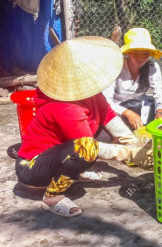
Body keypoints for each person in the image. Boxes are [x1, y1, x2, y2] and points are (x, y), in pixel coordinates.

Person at [15, 36, 151, 217]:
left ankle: (72, 174)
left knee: (94, 143)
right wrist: (131, 154)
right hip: (31, 168)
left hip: (56, 154)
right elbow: (88, 144)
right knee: (86, 150)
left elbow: (107, 114)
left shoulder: (89, 91)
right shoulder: (64, 106)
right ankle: (52, 197)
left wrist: (132, 142)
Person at [103, 28, 162, 130]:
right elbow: (106, 101)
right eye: (135, 53)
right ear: (128, 52)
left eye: (145, 53)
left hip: (142, 106)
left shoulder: (152, 67)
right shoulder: (116, 66)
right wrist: (127, 112)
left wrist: (160, 112)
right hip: (117, 108)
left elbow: (159, 93)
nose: (140, 58)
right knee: (134, 105)